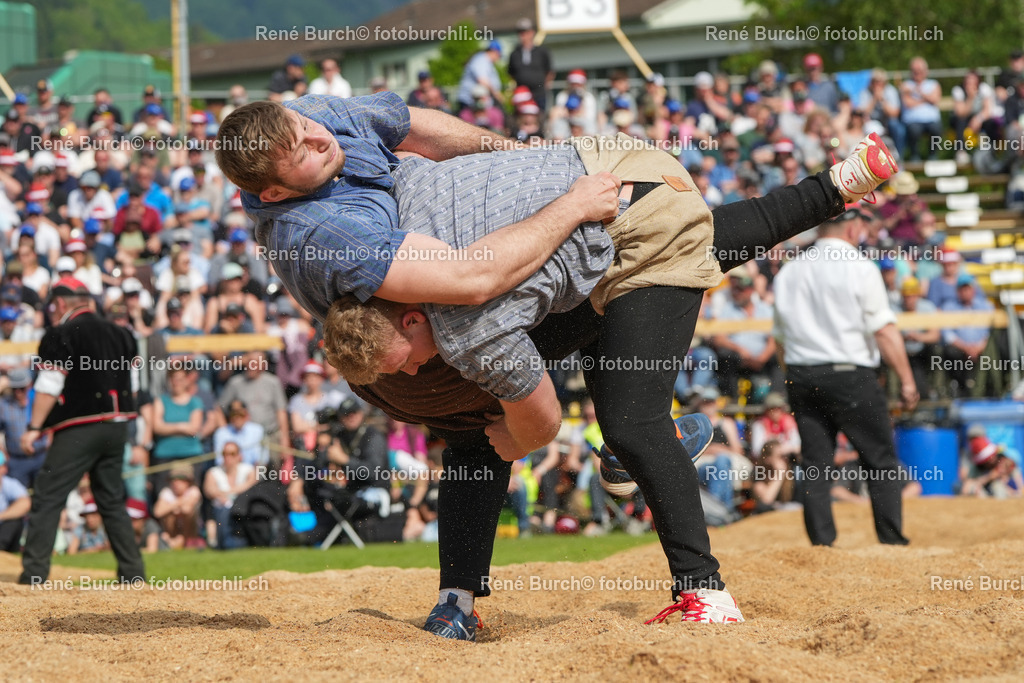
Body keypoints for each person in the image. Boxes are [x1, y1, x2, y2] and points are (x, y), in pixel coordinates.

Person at [773, 209, 919, 548]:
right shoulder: (860, 267)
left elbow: (780, 340)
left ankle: (822, 545)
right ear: (854, 228)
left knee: (815, 464)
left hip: (803, 374)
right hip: (850, 374)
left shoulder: (790, 271)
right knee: (880, 461)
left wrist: (795, 376)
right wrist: (907, 381)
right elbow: (883, 329)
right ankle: (891, 541)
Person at [18, 277, 145, 585]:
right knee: (112, 500)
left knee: (48, 496)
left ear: (60, 303)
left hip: (80, 427)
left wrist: (34, 428)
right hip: (118, 427)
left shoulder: (60, 333)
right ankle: (132, 574)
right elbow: (136, 384)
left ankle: (34, 574)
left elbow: (49, 384)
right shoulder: (122, 332)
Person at [0, 368, 48, 488]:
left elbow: (51, 424)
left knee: (44, 493)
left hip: (41, 456)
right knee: (20, 496)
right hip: (16, 460)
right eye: (14, 389)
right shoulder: (3, 405)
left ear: (29, 385)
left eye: (21, 388)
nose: (18, 392)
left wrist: (50, 442)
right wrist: (3, 452)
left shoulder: (39, 400)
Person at [507, 18, 553, 111]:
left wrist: (544, 86)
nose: (523, 36)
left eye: (525, 32)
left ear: (532, 32)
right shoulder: (515, 54)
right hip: (522, 95)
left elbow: (549, 71)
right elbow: (511, 73)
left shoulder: (542, 51)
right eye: (520, 33)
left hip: (539, 94)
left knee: (540, 118)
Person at [456, 41, 504, 113]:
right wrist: (496, 94)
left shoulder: (486, 61)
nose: (499, 58)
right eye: (499, 55)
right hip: (470, 102)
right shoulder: (481, 60)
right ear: (495, 52)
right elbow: (482, 80)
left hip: (478, 102)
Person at [0, 451, 31, 552]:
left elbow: (25, 503)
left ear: (4, 469)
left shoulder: (9, 484)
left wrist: (1, 516)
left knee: (14, 521)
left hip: (4, 529)